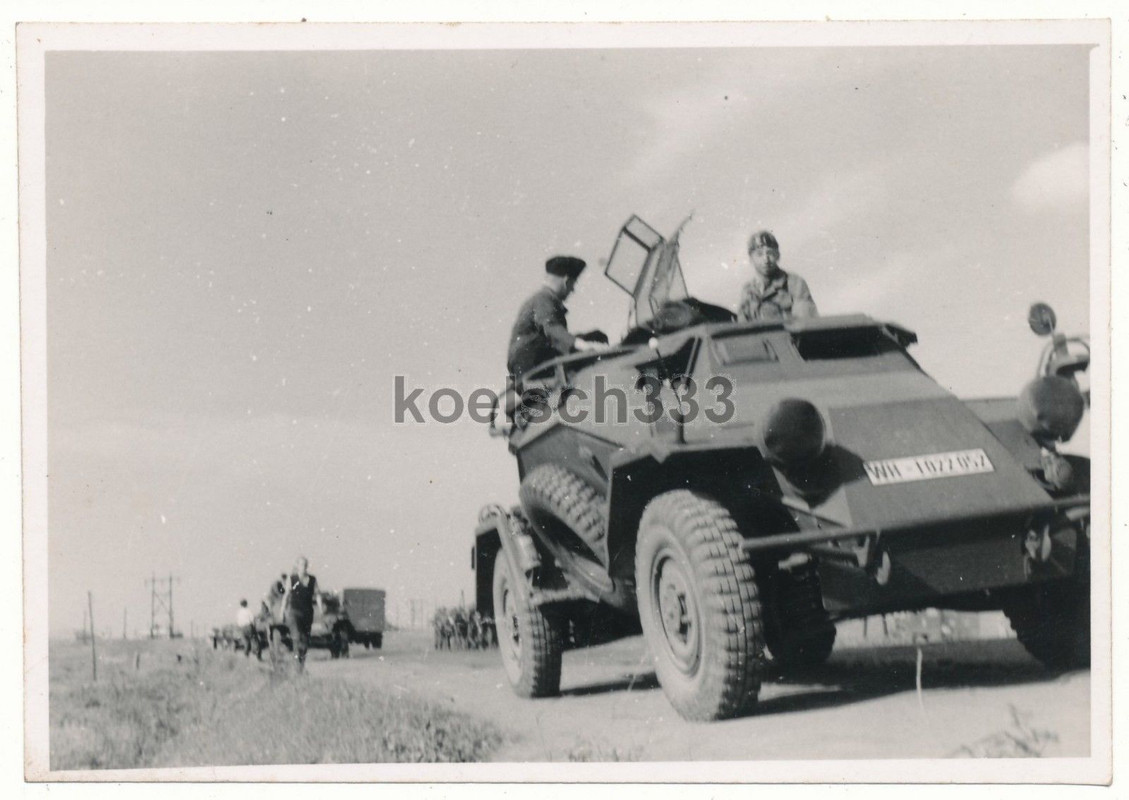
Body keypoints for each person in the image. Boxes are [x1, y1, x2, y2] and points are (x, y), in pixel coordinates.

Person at [506, 255, 608, 383]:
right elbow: (552, 328)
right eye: (573, 284)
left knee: (596, 336)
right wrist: (584, 345)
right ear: (567, 281)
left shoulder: (541, 299)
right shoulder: (543, 298)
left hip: (533, 363)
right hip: (532, 365)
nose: (572, 290)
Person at [738, 230, 818, 322]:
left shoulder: (794, 283)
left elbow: (805, 322)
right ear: (751, 259)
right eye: (759, 254)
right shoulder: (748, 290)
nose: (766, 259)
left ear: (778, 255)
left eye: (770, 253)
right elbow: (742, 325)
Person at [281, 557, 318, 672]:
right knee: (297, 637)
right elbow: (286, 595)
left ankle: (301, 665)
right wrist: (282, 610)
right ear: (297, 566)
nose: (304, 567)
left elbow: (318, 594)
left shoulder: (312, 579)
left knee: (305, 640)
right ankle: (297, 666)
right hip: (294, 612)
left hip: (307, 613)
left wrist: (322, 608)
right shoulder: (291, 579)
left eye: (305, 564)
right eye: (302, 564)